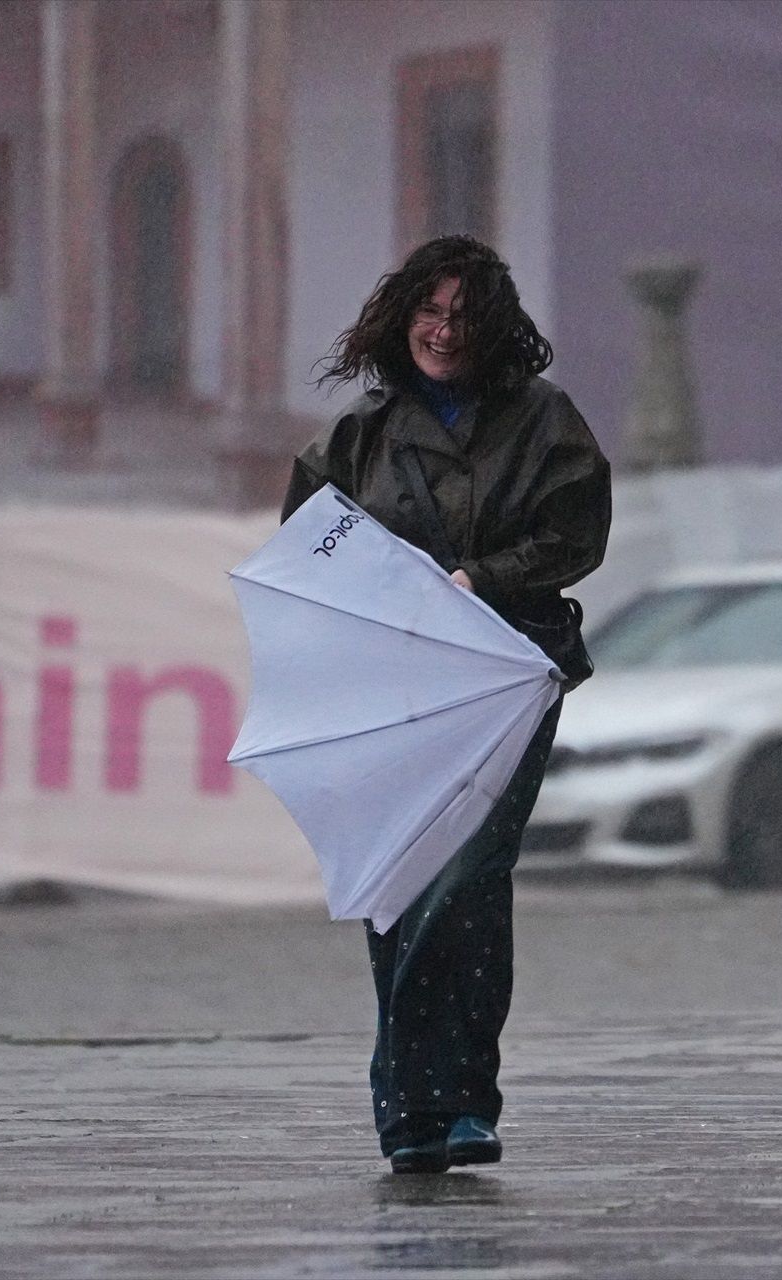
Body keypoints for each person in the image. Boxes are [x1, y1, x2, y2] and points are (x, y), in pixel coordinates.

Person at [283, 235, 611, 1173]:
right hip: (397, 683)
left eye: (463, 315)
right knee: (402, 879)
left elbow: (577, 536)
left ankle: (438, 1097)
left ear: (495, 327)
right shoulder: (358, 435)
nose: (443, 330)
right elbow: (306, 550)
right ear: (403, 319)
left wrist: (482, 579)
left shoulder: (546, 421)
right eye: (429, 312)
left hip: (509, 676)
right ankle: (430, 1111)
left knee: (468, 873)